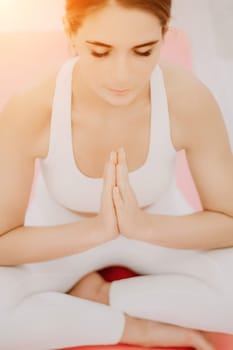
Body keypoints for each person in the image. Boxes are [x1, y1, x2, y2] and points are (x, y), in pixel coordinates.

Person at [0, 0, 233, 349]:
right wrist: (97, 230)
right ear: (71, 33)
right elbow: (3, 243)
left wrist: (143, 226)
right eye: (100, 52)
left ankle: (102, 296)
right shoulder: (31, 107)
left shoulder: (188, 98)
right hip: (62, 237)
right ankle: (135, 328)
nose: (122, 76)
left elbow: (228, 220)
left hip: (158, 230)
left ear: (164, 35)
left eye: (143, 51)